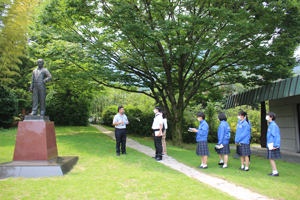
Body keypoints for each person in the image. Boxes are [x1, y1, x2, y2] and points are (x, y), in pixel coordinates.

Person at [266, 112, 281, 176]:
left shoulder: (273, 125)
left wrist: (276, 145)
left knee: (271, 158)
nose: (266, 117)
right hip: (270, 144)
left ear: (271, 117)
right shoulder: (270, 125)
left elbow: (277, 136)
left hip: (272, 144)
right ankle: (274, 171)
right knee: (270, 158)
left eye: (268, 116)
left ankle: (275, 172)